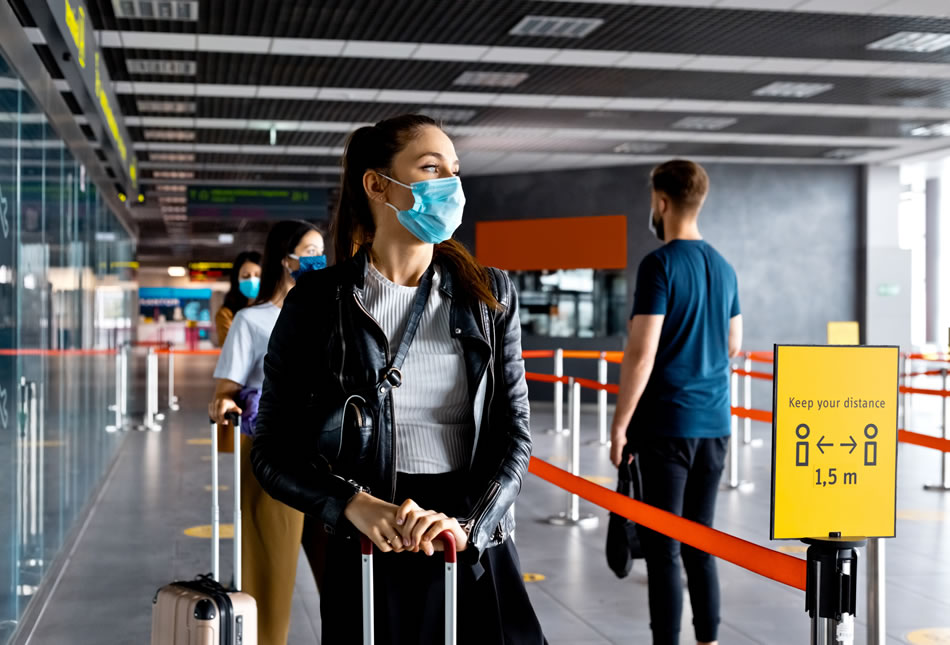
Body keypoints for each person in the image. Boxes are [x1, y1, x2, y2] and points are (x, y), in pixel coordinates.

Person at [250, 114, 546, 645]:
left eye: (455, 172)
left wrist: (469, 525)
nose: (450, 188)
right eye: (431, 169)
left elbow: (514, 433)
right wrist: (352, 503)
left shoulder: (489, 295)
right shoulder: (319, 303)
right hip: (369, 535)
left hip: (467, 532)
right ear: (376, 184)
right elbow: (272, 450)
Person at [609, 160, 742, 645]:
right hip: (714, 426)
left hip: (666, 426)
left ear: (661, 202)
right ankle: (707, 638)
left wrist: (620, 425)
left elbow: (641, 353)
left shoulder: (659, 265)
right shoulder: (723, 267)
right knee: (700, 541)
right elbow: (733, 343)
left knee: (663, 545)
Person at [208, 220, 327, 645]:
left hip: (331, 455)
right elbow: (226, 390)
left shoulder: (329, 312)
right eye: (310, 250)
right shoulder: (251, 321)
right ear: (286, 259)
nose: (318, 258)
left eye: (321, 250)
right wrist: (224, 404)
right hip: (275, 455)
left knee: (345, 573)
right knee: (269, 576)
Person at [215, 250, 262, 346]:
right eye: (246, 276)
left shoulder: (277, 308)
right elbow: (230, 348)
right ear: (237, 279)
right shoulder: (226, 314)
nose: (252, 280)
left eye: (257, 275)